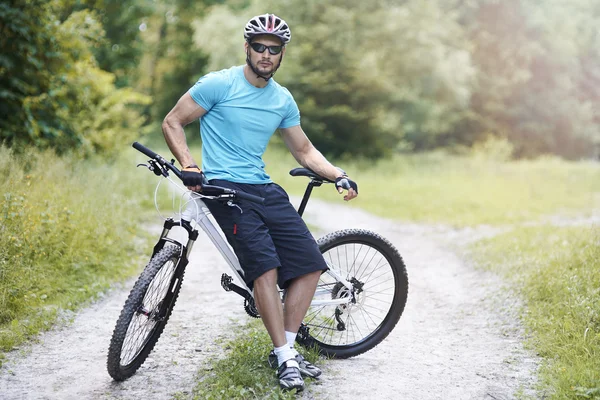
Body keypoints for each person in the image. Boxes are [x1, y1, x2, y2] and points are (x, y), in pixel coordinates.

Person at [161, 13, 358, 391]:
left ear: (282, 55)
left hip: (264, 188)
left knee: (310, 265)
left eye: (275, 49)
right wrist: (189, 164)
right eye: (260, 47)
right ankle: (286, 355)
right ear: (247, 48)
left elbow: (303, 148)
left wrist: (336, 174)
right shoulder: (218, 84)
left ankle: (284, 346)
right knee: (264, 269)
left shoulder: (282, 99)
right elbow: (173, 121)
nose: (266, 55)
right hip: (223, 187)